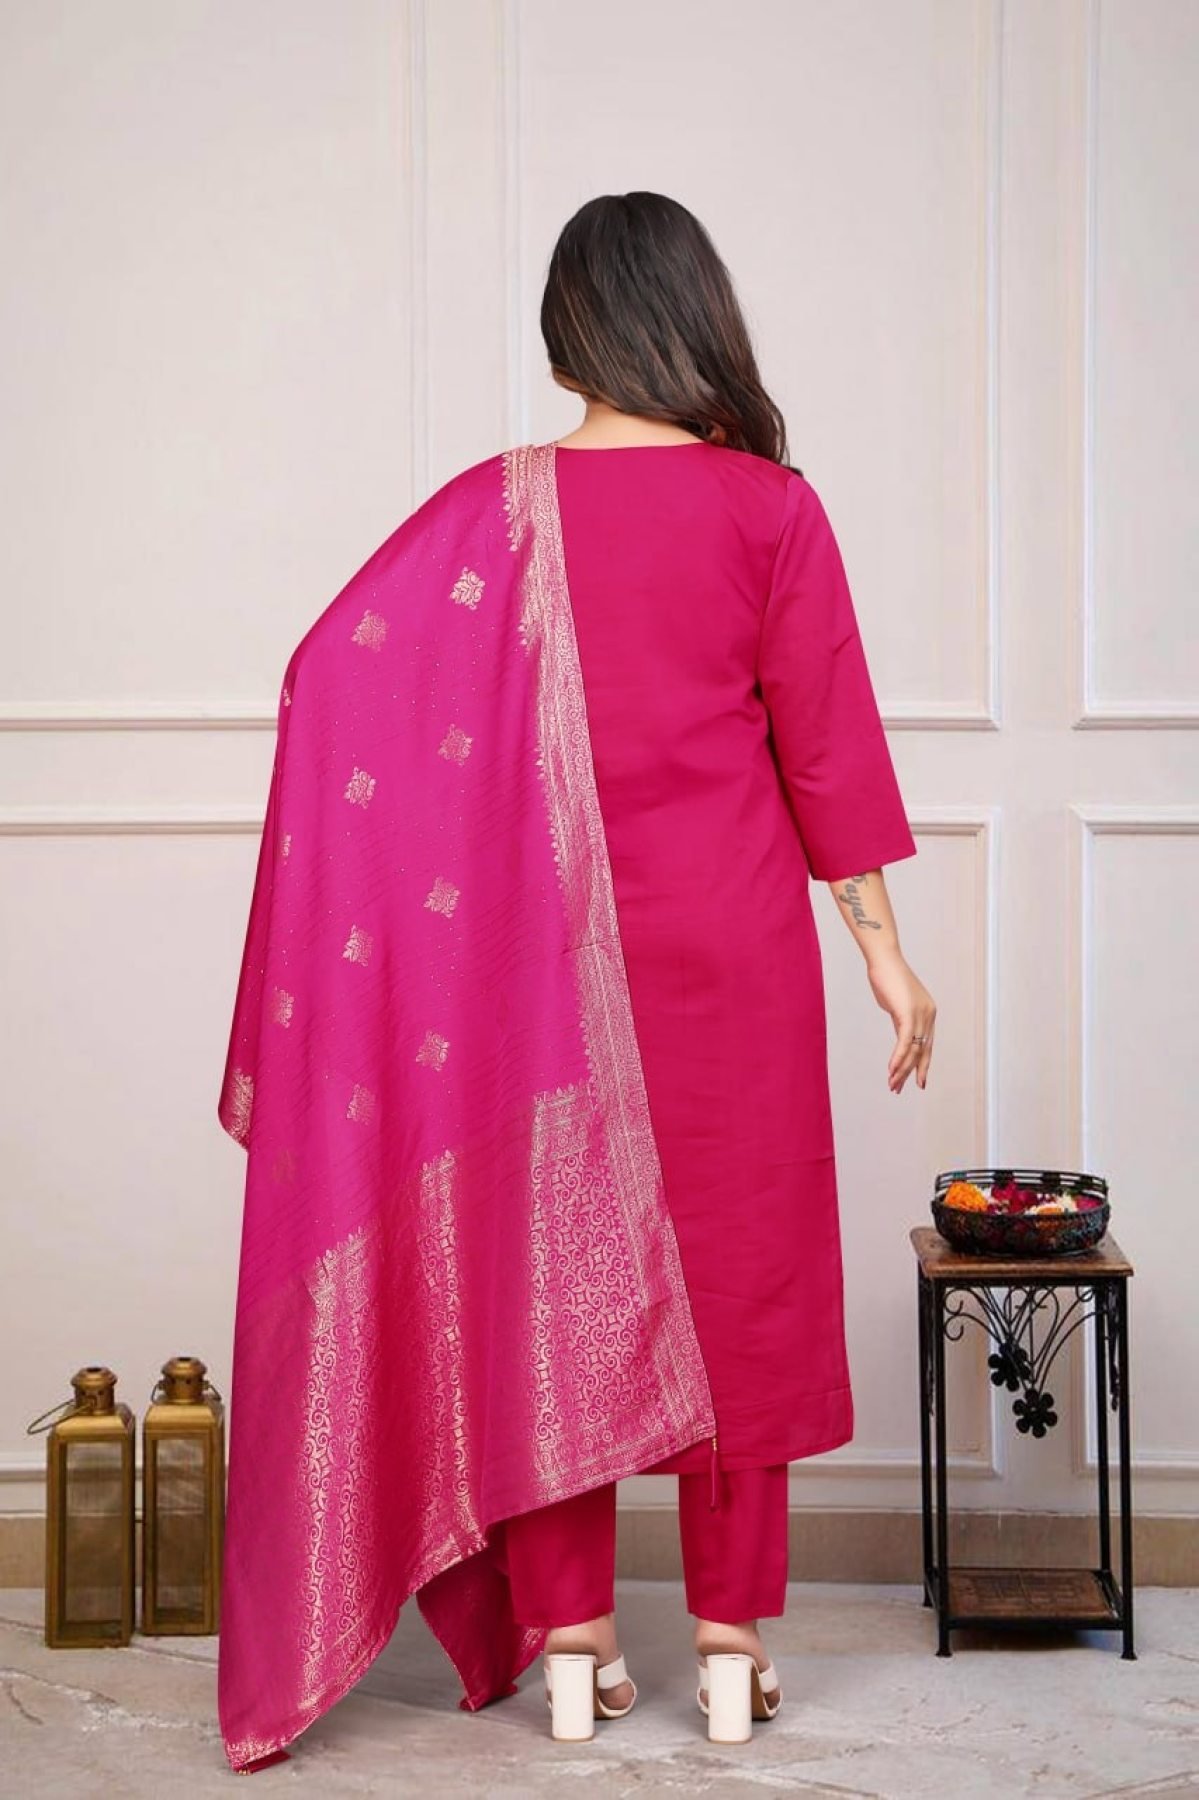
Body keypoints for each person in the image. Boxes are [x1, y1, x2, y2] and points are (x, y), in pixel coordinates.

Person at [216, 190, 934, 1771]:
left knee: (552, 1278)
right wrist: (884, 952)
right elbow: (825, 748)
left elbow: (331, 673)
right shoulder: (771, 509)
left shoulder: (494, 509)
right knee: (741, 1278)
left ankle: (573, 1641)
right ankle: (733, 1645)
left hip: (538, 975)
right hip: (738, 957)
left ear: (567, 335)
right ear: (700, 315)